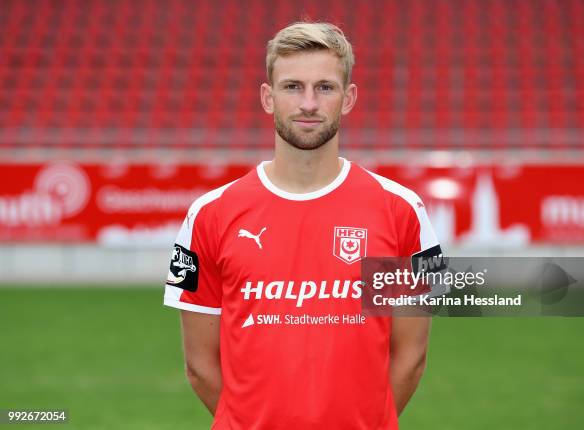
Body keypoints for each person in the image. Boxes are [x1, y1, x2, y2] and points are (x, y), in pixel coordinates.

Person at [164, 21, 442, 429]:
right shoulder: (208, 214)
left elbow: (411, 357)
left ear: (348, 99)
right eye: (292, 86)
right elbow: (200, 367)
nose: (308, 103)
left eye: (325, 88)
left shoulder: (403, 210)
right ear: (268, 97)